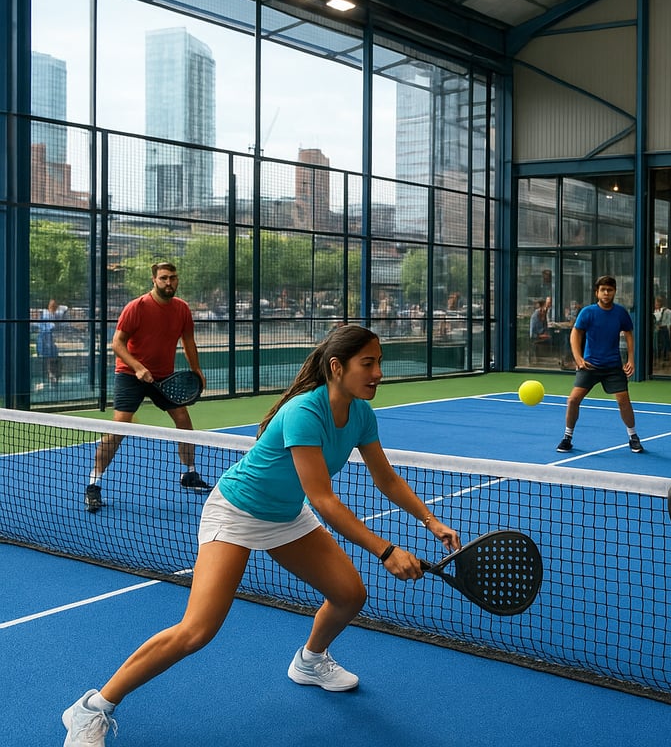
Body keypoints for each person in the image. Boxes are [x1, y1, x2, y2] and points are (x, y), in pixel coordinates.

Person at [62, 325, 461, 747]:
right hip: (236, 512)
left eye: (379, 361)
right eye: (369, 363)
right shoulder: (305, 412)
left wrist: (429, 521)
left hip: (286, 516)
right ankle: (91, 709)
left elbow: (387, 479)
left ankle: (310, 662)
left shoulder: (361, 413)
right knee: (197, 630)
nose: (378, 371)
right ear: (336, 367)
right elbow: (324, 500)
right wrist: (385, 550)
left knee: (349, 595)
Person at [87, 262, 209, 513]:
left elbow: (188, 341)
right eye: (163, 278)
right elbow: (117, 344)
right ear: (154, 280)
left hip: (163, 377)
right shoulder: (137, 307)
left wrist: (196, 369)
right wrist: (138, 367)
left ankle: (189, 474)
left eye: (173, 278)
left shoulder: (182, 309)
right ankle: (94, 484)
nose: (169, 282)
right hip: (130, 374)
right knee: (119, 426)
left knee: (184, 422)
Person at [557, 275, 644, 454]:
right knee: (573, 400)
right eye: (603, 290)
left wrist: (631, 359)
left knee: (623, 401)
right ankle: (567, 437)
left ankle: (633, 437)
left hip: (613, 367)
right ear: (597, 293)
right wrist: (578, 358)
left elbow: (628, 334)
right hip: (589, 366)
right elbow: (575, 334)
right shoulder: (587, 312)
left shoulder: (621, 313)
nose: (606, 293)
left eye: (610, 290)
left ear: (614, 292)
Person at [37, 298, 67, 385]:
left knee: (53, 359)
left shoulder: (53, 314)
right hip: (46, 340)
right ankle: (52, 376)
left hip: (49, 341)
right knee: (51, 359)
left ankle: (54, 376)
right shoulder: (46, 314)